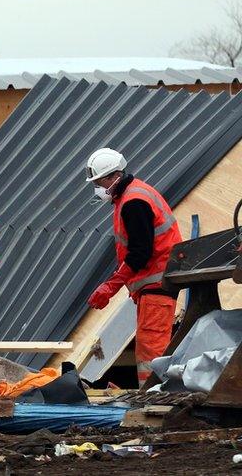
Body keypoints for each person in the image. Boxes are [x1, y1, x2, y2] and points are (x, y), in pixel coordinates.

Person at [84, 148, 183, 386]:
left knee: (151, 350)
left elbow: (140, 252)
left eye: (98, 183)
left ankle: (154, 400)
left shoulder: (133, 202)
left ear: (112, 177)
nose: (97, 188)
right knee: (150, 347)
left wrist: (111, 286)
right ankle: (152, 396)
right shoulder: (133, 195)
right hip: (156, 283)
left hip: (157, 283)